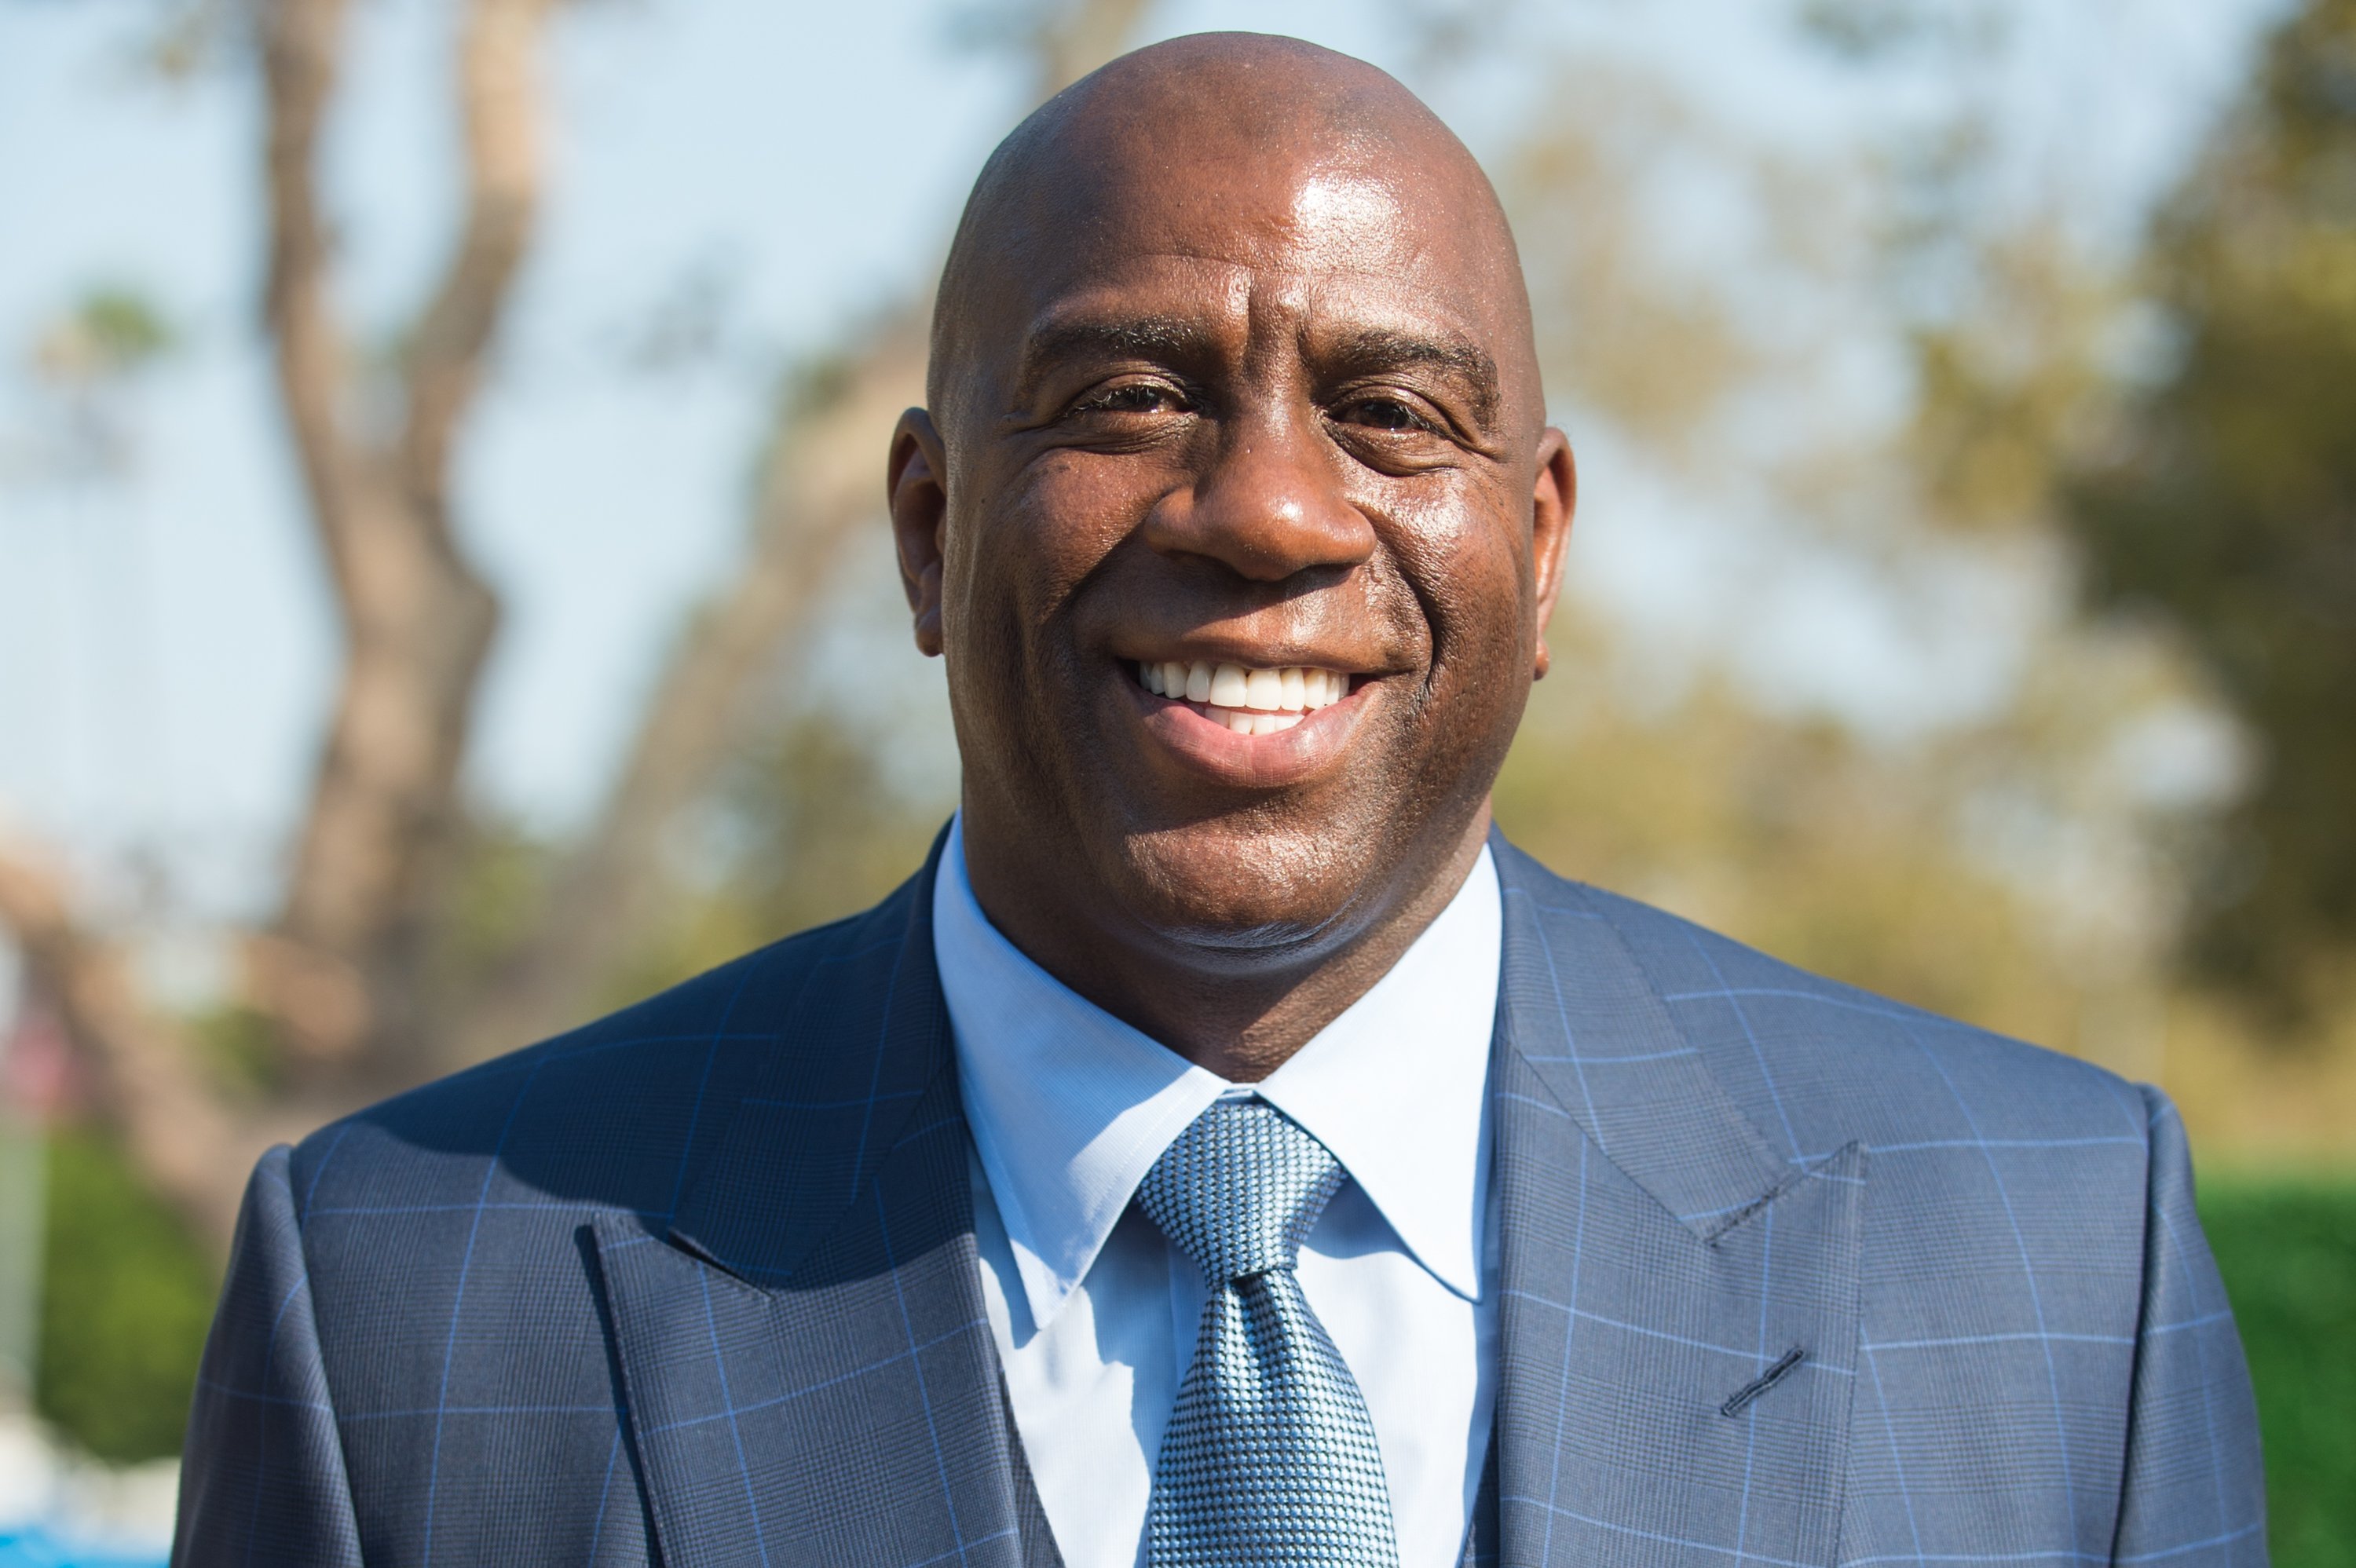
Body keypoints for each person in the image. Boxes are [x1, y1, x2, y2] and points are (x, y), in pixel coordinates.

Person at [174, 32, 2266, 1568]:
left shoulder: (2052, 1268)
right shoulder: (413, 1297)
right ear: (926, 530)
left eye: (1388, 411)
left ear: (1538, 551)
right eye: (1131, 395)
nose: (1269, 510)